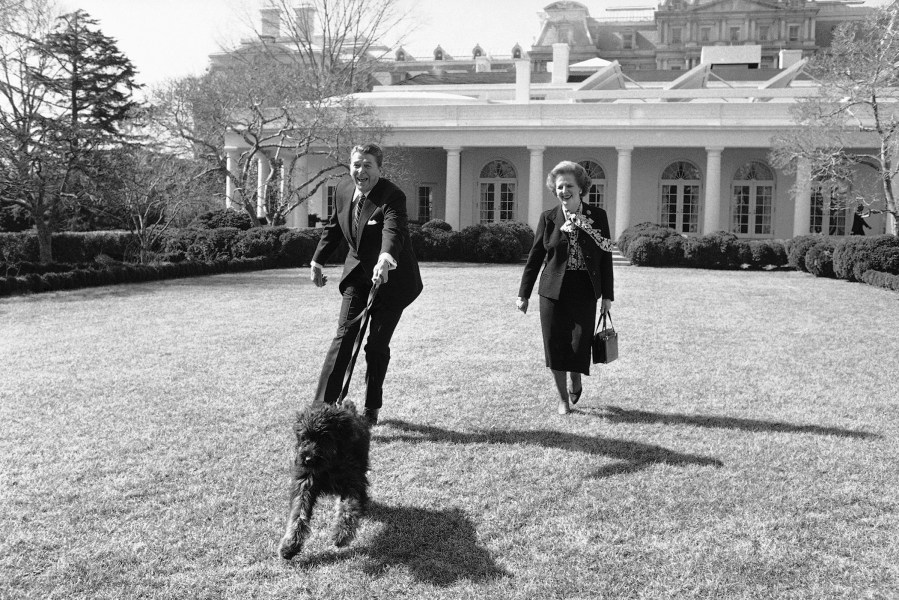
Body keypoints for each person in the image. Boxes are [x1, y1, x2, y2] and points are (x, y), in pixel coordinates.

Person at [309, 143, 423, 426]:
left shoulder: (392, 195)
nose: (361, 171)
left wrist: (385, 259)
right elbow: (334, 227)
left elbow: (393, 230)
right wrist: (317, 261)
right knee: (343, 336)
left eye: (367, 165)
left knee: (375, 346)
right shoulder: (343, 189)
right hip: (357, 276)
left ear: (379, 169)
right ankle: (322, 409)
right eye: (356, 164)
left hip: (393, 280)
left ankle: (372, 406)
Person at [517, 161, 616, 415]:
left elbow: (605, 257)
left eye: (569, 185)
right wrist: (523, 294)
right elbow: (536, 256)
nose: (564, 190)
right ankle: (562, 399)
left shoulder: (598, 217)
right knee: (554, 344)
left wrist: (607, 295)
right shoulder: (548, 218)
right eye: (559, 186)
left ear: (580, 188)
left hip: (584, 288)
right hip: (552, 291)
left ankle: (576, 378)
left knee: (579, 343)